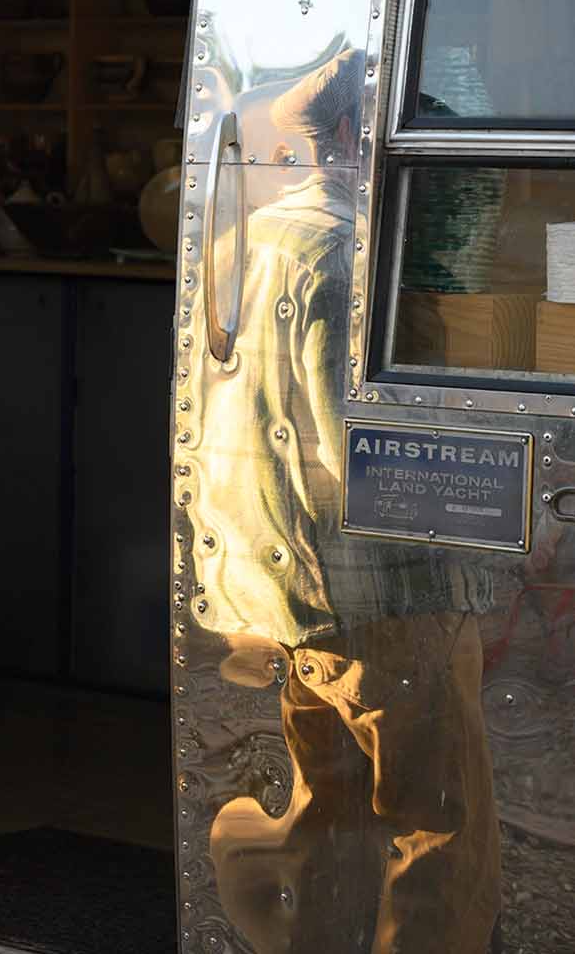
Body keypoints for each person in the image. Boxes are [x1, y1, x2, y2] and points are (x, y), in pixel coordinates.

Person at [191, 48, 500, 953]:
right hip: (385, 605)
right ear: (359, 136)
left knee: (333, 830)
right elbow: (371, 460)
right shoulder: (356, 261)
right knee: (439, 838)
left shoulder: (254, 239)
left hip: (285, 600)